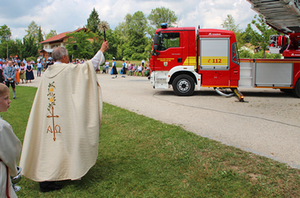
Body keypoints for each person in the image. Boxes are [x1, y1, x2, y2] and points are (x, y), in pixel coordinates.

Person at [19, 41, 109, 192]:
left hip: (49, 116)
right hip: (64, 117)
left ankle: (51, 176)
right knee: (64, 143)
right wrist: (102, 50)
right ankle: (59, 175)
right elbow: (89, 67)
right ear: (66, 57)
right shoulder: (67, 70)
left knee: (50, 146)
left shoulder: (48, 72)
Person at [0, 83, 22, 198]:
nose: (9, 101)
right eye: (5, 98)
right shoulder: (2, 127)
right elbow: (11, 152)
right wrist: (13, 171)